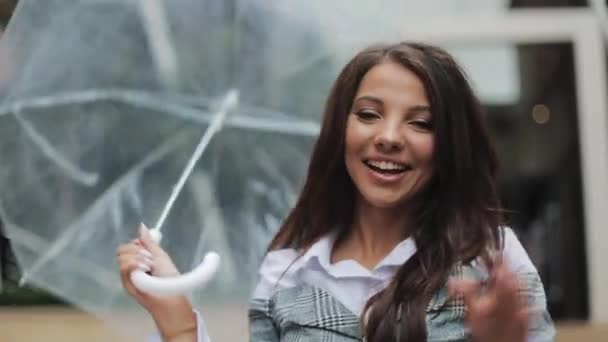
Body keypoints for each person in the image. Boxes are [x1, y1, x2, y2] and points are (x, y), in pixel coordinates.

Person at [117, 41, 555, 342]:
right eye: (368, 114)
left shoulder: (488, 256)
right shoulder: (287, 271)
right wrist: (177, 322)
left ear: (449, 147)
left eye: (420, 123)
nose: (388, 137)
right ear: (340, 130)